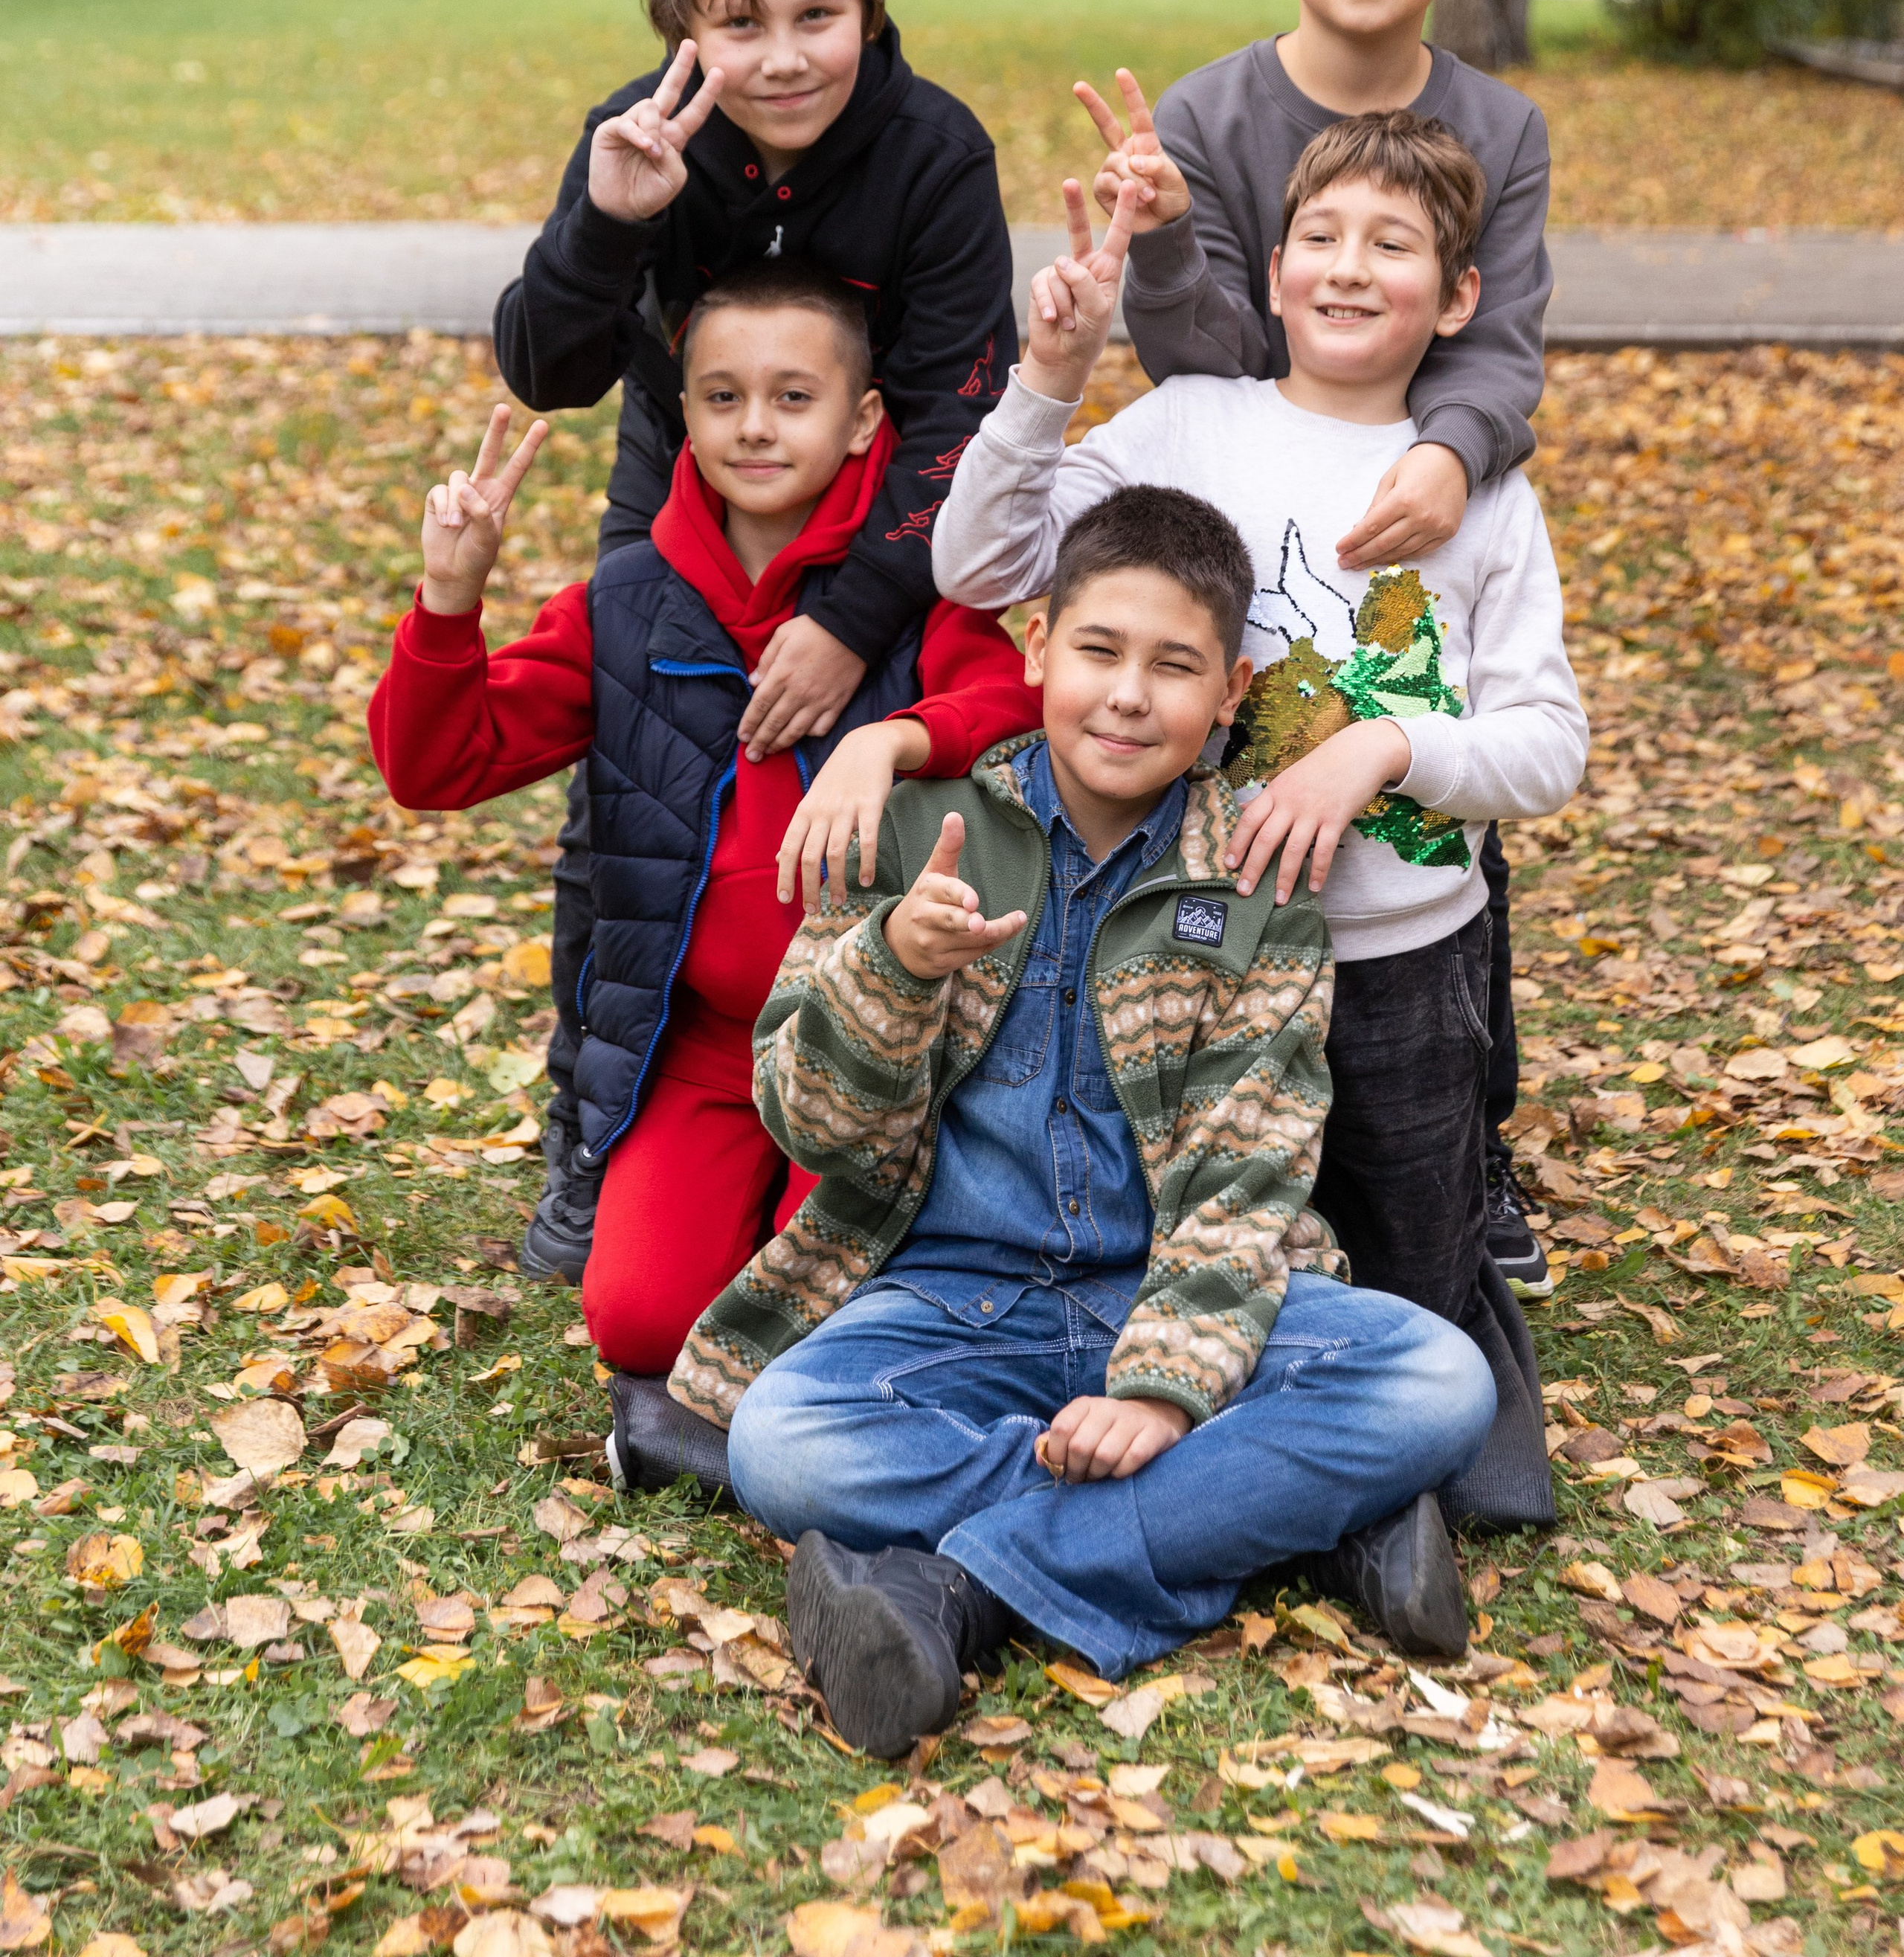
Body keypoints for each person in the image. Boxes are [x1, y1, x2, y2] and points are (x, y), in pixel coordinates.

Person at [668, 485, 1497, 1755]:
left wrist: (1164, 1391)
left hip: (1174, 1288)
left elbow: (1249, 1168)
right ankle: (1297, 1517)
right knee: (784, 1442)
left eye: (1175, 668)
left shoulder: (1254, 875)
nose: (1127, 695)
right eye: (1101, 651)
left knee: (1438, 1379)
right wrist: (893, 967)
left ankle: (964, 1590)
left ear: (1229, 696)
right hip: (951, 1296)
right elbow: (808, 1123)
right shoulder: (909, 829)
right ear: (1038, 643)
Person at [929, 112, 1589, 1530]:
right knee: (1209, 1249)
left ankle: (1400, 1453)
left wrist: (1386, 747)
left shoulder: (1476, 492)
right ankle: (1218, 1459)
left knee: (1412, 1295)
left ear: (1457, 297)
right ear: (1274, 267)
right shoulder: (1190, 425)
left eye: (1396, 248)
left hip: (1407, 965)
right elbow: (980, 563)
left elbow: (1548, 747)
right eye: (1325, 240)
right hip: (1202, 964)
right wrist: (1049, 378)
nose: (1353, 271)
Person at [369, 261, 1041, 1491]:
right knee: (632, 1316)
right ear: (682, 411)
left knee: (832, 1299)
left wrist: (890, 738)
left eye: (794, 397)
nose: (756, 426)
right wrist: (450, 598)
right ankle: (715, 1318)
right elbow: (436, 762)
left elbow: (1011, 695)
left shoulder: (907, 589)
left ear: (863, 419)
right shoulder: (629, 600)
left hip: (871, 1043)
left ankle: (804, 1364)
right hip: (704, 1046)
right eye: (722, 396)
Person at [492, 0, 1019, 1282]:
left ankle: (851, 1095)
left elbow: (959, 417)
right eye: (740, 27)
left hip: (881, 533)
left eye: (817, 17)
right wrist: (610, 223)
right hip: (681, 503)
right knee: (636, 815)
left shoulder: (932, 155)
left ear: (869, 7)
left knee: (857, 815)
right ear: (685, 32)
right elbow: (547, 366)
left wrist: (852, 623)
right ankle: (595, 1131)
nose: (783, 59)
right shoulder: (638, 134)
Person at [1073, 0, 1557, 1299]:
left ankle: (1461, 1155)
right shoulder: (1218, 112)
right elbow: (1207, 343)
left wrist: (1452, 455)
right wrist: (1158, 232)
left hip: (1418, 487)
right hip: (1258, 484)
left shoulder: (1498, 123)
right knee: (1256, 800)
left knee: (1434, 832)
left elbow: (1502, 333)